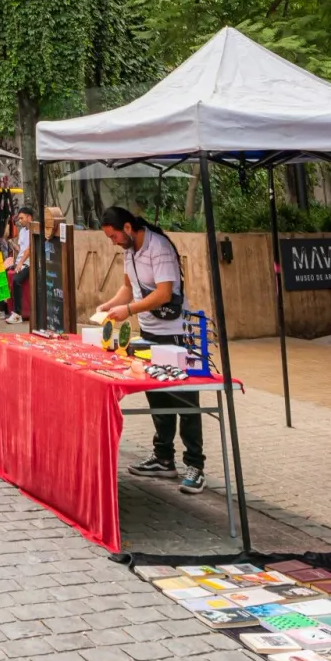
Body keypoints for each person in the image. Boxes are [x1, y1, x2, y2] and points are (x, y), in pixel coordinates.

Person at [93, 205, 204, 494]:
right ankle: (163, 456)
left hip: (176, 333)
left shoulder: (159, 247)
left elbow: (164, 293)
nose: (113, 242)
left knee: (186, 399)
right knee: (156, 392)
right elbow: (128, 288)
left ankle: (195, 463)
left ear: (128, 228)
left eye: (114, 235)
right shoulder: (129, 251)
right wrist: (109, 305)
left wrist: (127, 310)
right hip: (150, 332)